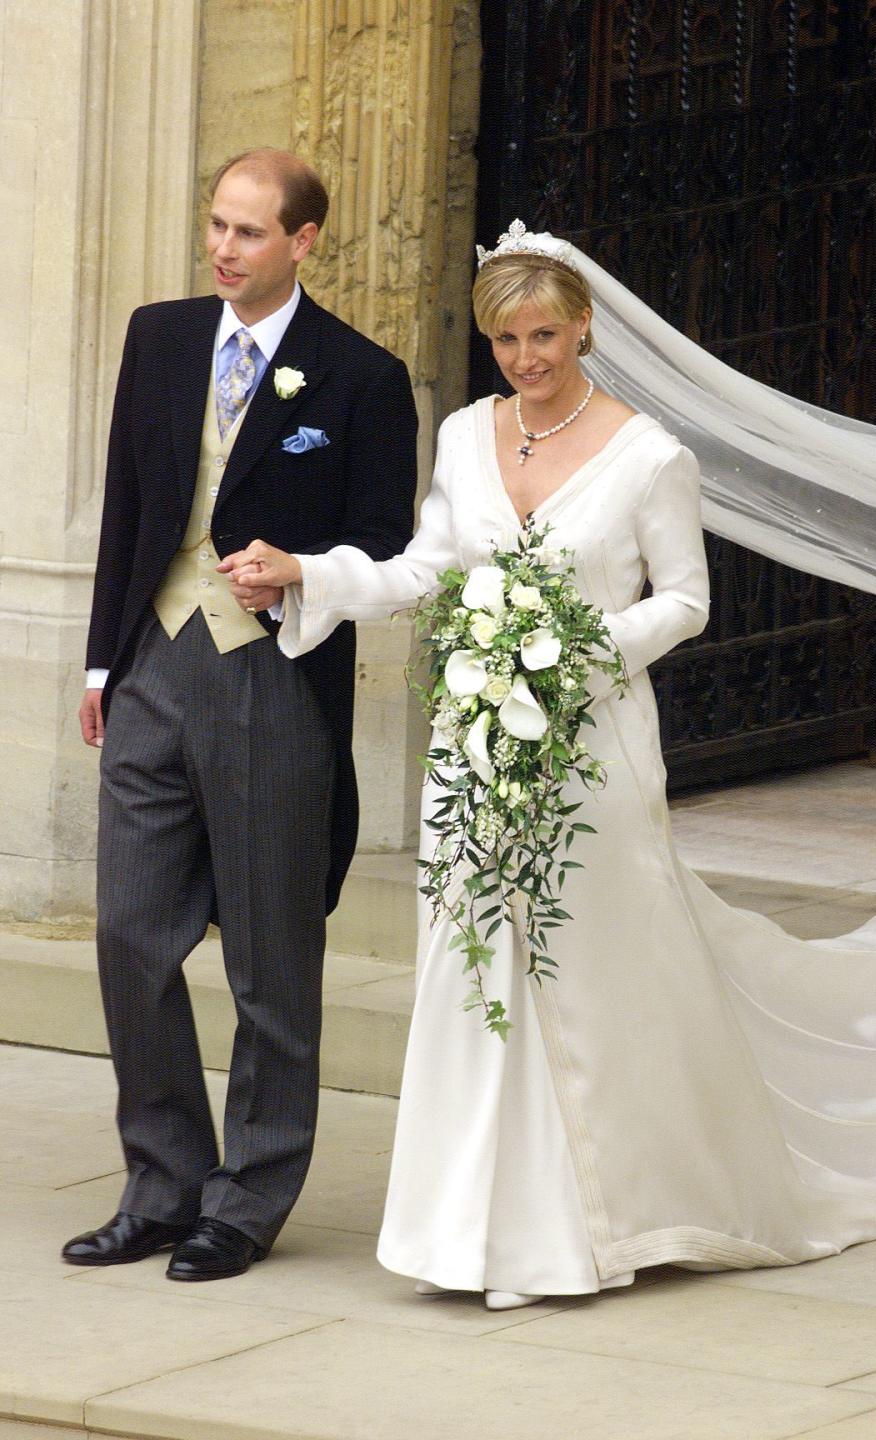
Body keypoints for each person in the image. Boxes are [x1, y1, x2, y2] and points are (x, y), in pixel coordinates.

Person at [220, 224, 876, 1310]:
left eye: (548, 336)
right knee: (475, 973)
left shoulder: (652, 455)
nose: (529, 357)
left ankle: (588, 1226)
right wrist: (308, 574)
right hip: (474, 746)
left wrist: (573, 649)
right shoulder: (470, 437)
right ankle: (470, 1235)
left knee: (584, 974)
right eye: (509, 340)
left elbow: (686, 601)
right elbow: (426, 568)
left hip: (593, 753)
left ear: (586, 329)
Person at [63, 148, 418, 1281]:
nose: (223, 248)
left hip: (271, 678)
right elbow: (128, 505)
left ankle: (249, 1197)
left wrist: (303, 568)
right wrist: (98, 667)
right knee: (129, 934)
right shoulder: (158, 336)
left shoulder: (361, 376)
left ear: (304, 241)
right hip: (154, 663)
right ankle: (163, 1184)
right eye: (216, 224)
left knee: (271, 958)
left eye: (250, 232)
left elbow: (389, 546)